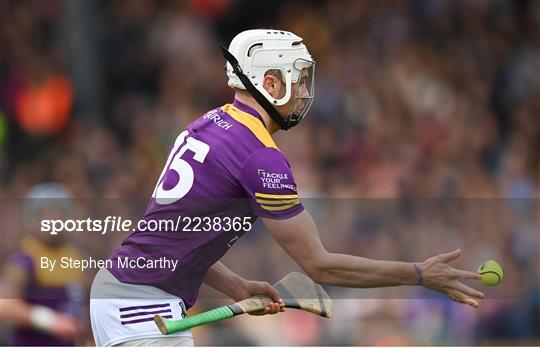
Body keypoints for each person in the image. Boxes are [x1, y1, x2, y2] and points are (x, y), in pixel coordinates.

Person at [90, 29, 484, 347]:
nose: (303, 92)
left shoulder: (209, 123)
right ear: (270, 82)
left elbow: (179, 233)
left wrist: (236, 286)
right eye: (298, 80)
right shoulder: (259, 154)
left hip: (122, 293)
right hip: (144, 310)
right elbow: (319, 265)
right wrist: (418, 273)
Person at [1, 183, 85, 346]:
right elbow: (4, 305)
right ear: (31, 220)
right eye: (43, 214)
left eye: (56, 214)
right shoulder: (24, 259)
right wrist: (49, 321)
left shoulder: (77, 256)